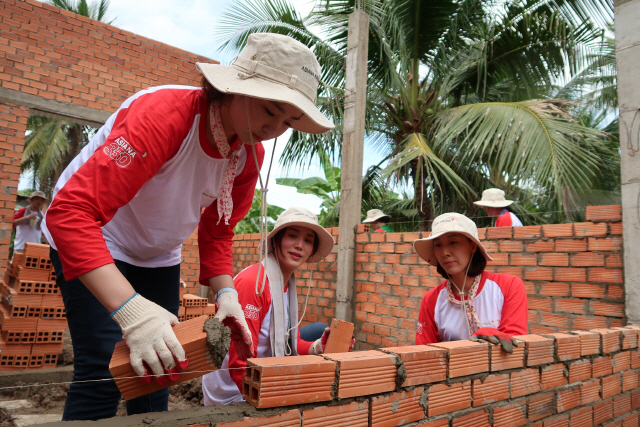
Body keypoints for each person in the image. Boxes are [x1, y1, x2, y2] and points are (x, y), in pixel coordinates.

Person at [41, 33, 334, 421]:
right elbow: (70, 214)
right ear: (234, 90)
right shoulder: (164, 114)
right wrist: (133, 313)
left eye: (289, 121)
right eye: (270, 110)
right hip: (98, 237)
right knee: (104, 368)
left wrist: (226, 293)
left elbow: (218, 231)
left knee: (162, 367)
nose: (274, 128)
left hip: (159, 254)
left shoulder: (248, 155)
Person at [202, 207, 352, 405]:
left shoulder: (286, 285)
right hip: (233, 392)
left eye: (308, 240)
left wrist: (318, 347)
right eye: (292, 236)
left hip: (258, 371)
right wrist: (274, 404)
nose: (299, 245)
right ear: (276, 240)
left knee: (317, 331)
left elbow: (292, 342)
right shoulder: (254, 284)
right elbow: (239, 361)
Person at [412, 213, 527, 352]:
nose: (444, 252)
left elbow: (514, 344)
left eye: (453, 242)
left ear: (472, 246)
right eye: (438, 245)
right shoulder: (432, 299)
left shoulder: (508, 286)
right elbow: (424, 353)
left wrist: (485, 336)